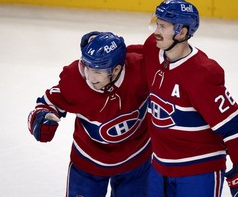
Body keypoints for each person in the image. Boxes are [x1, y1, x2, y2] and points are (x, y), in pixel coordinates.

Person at [135, 0, 238, 196]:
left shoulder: (201, 74)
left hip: (199, 171)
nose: (156, 31)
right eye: (156, 23)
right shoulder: (153, 48)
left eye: (163, 26)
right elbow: (136, 55)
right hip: (161, 166)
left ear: (182, 32)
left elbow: (237, 128)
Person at [27, 31, 151, 197]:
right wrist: (42, 117)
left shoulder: (140, 70)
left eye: (98, 71)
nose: (90, 77)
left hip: (136, 161)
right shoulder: (75, 80)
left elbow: (169, 62)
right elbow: (48, 103)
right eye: (88, 68)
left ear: (116, 69)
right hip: (88, 164)